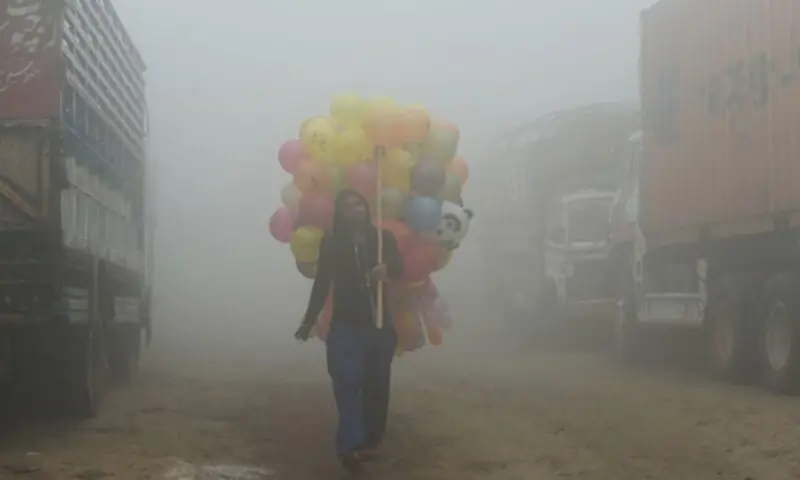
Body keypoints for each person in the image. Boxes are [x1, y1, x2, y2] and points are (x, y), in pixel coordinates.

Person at [294, 189, 403, 472]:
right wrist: (308, 321)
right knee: (346, 381)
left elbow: (401, 269)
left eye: (359, 204)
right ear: (340, 214)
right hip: (346, 326)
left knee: (376, 387)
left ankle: (369, 442)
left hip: (379, 326)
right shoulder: (331, 244)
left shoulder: (383, 239)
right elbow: (322, 284)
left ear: (367, 208)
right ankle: (349, 446)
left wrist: (386, 268)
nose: (355, 209)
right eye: (348, 206)